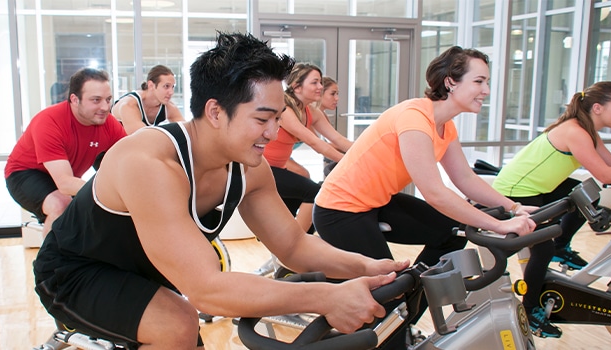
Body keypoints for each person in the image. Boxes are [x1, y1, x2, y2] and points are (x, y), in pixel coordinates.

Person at [33, 32, 408, 349]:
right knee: (177, 322)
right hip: (74, 271)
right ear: (215, 112)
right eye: (262, 118)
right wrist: (327, 296)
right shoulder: (149, 162)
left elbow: (293, 247)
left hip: (143, 274)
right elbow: (207, 291)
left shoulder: (250, 169)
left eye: (277, 118)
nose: (273, 133)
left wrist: (367, 266)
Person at [313, 47, 536, 346]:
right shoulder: (415, 117)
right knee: (389, 297)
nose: (487, 90)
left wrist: (513, 208)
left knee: (451, 234)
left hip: (376, 203)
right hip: (339, 210)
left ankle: (404, 312)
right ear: (450, 82)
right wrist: (498, 226)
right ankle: (392, 324)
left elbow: (465, 178)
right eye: (479, 81)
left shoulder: (446, 125)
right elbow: (434, 193)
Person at [492, 80, 611, 338]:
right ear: (598, 108)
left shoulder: (588, 130)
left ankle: (561, 247)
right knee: (541, 247)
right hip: (515, 190)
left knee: (586, 196)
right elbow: (605, 172)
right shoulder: (575, 131)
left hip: (538, 187)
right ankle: (531, 310)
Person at [5, 67, 127, 240]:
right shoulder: (49, 121)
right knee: (60, 205)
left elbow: (128, 156)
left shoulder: (109, 124)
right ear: (75, 99)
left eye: (108, 99)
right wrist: (111, 193)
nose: (105, 107)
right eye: (96, 100)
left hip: (65, 174)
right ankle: (46, 265)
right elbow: (65, 183)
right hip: (25, 173)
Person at [263, 64, 352, 232]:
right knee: (314, 193)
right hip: (262, 169)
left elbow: (338, 140)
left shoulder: (312, 112)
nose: (320, 87)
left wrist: (365, 150)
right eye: (315, 82)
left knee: (309, 211)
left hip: (279, 168)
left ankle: (288, 246)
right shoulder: (285, 109)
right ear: (297, 86)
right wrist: (350, 162)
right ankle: (295, 246)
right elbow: (315, 143)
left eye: (320, 82)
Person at [111, 64, 185, 134]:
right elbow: (141, 138)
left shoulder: (169, 107)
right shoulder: (129, 105)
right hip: (105, 142)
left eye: (172, 87)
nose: (171, 92)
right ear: (151, 85)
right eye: (166, 86)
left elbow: (186, 132)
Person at [314, 76, 340, 177]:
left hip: (285, 155)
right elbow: (318, 145)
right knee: (304, 175)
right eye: (333, 94)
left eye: (337, 94)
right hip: (273, 156)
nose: (337, 98)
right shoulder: (311, 113)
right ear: (319, 93)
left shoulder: (322, 114)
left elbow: (336, 141)